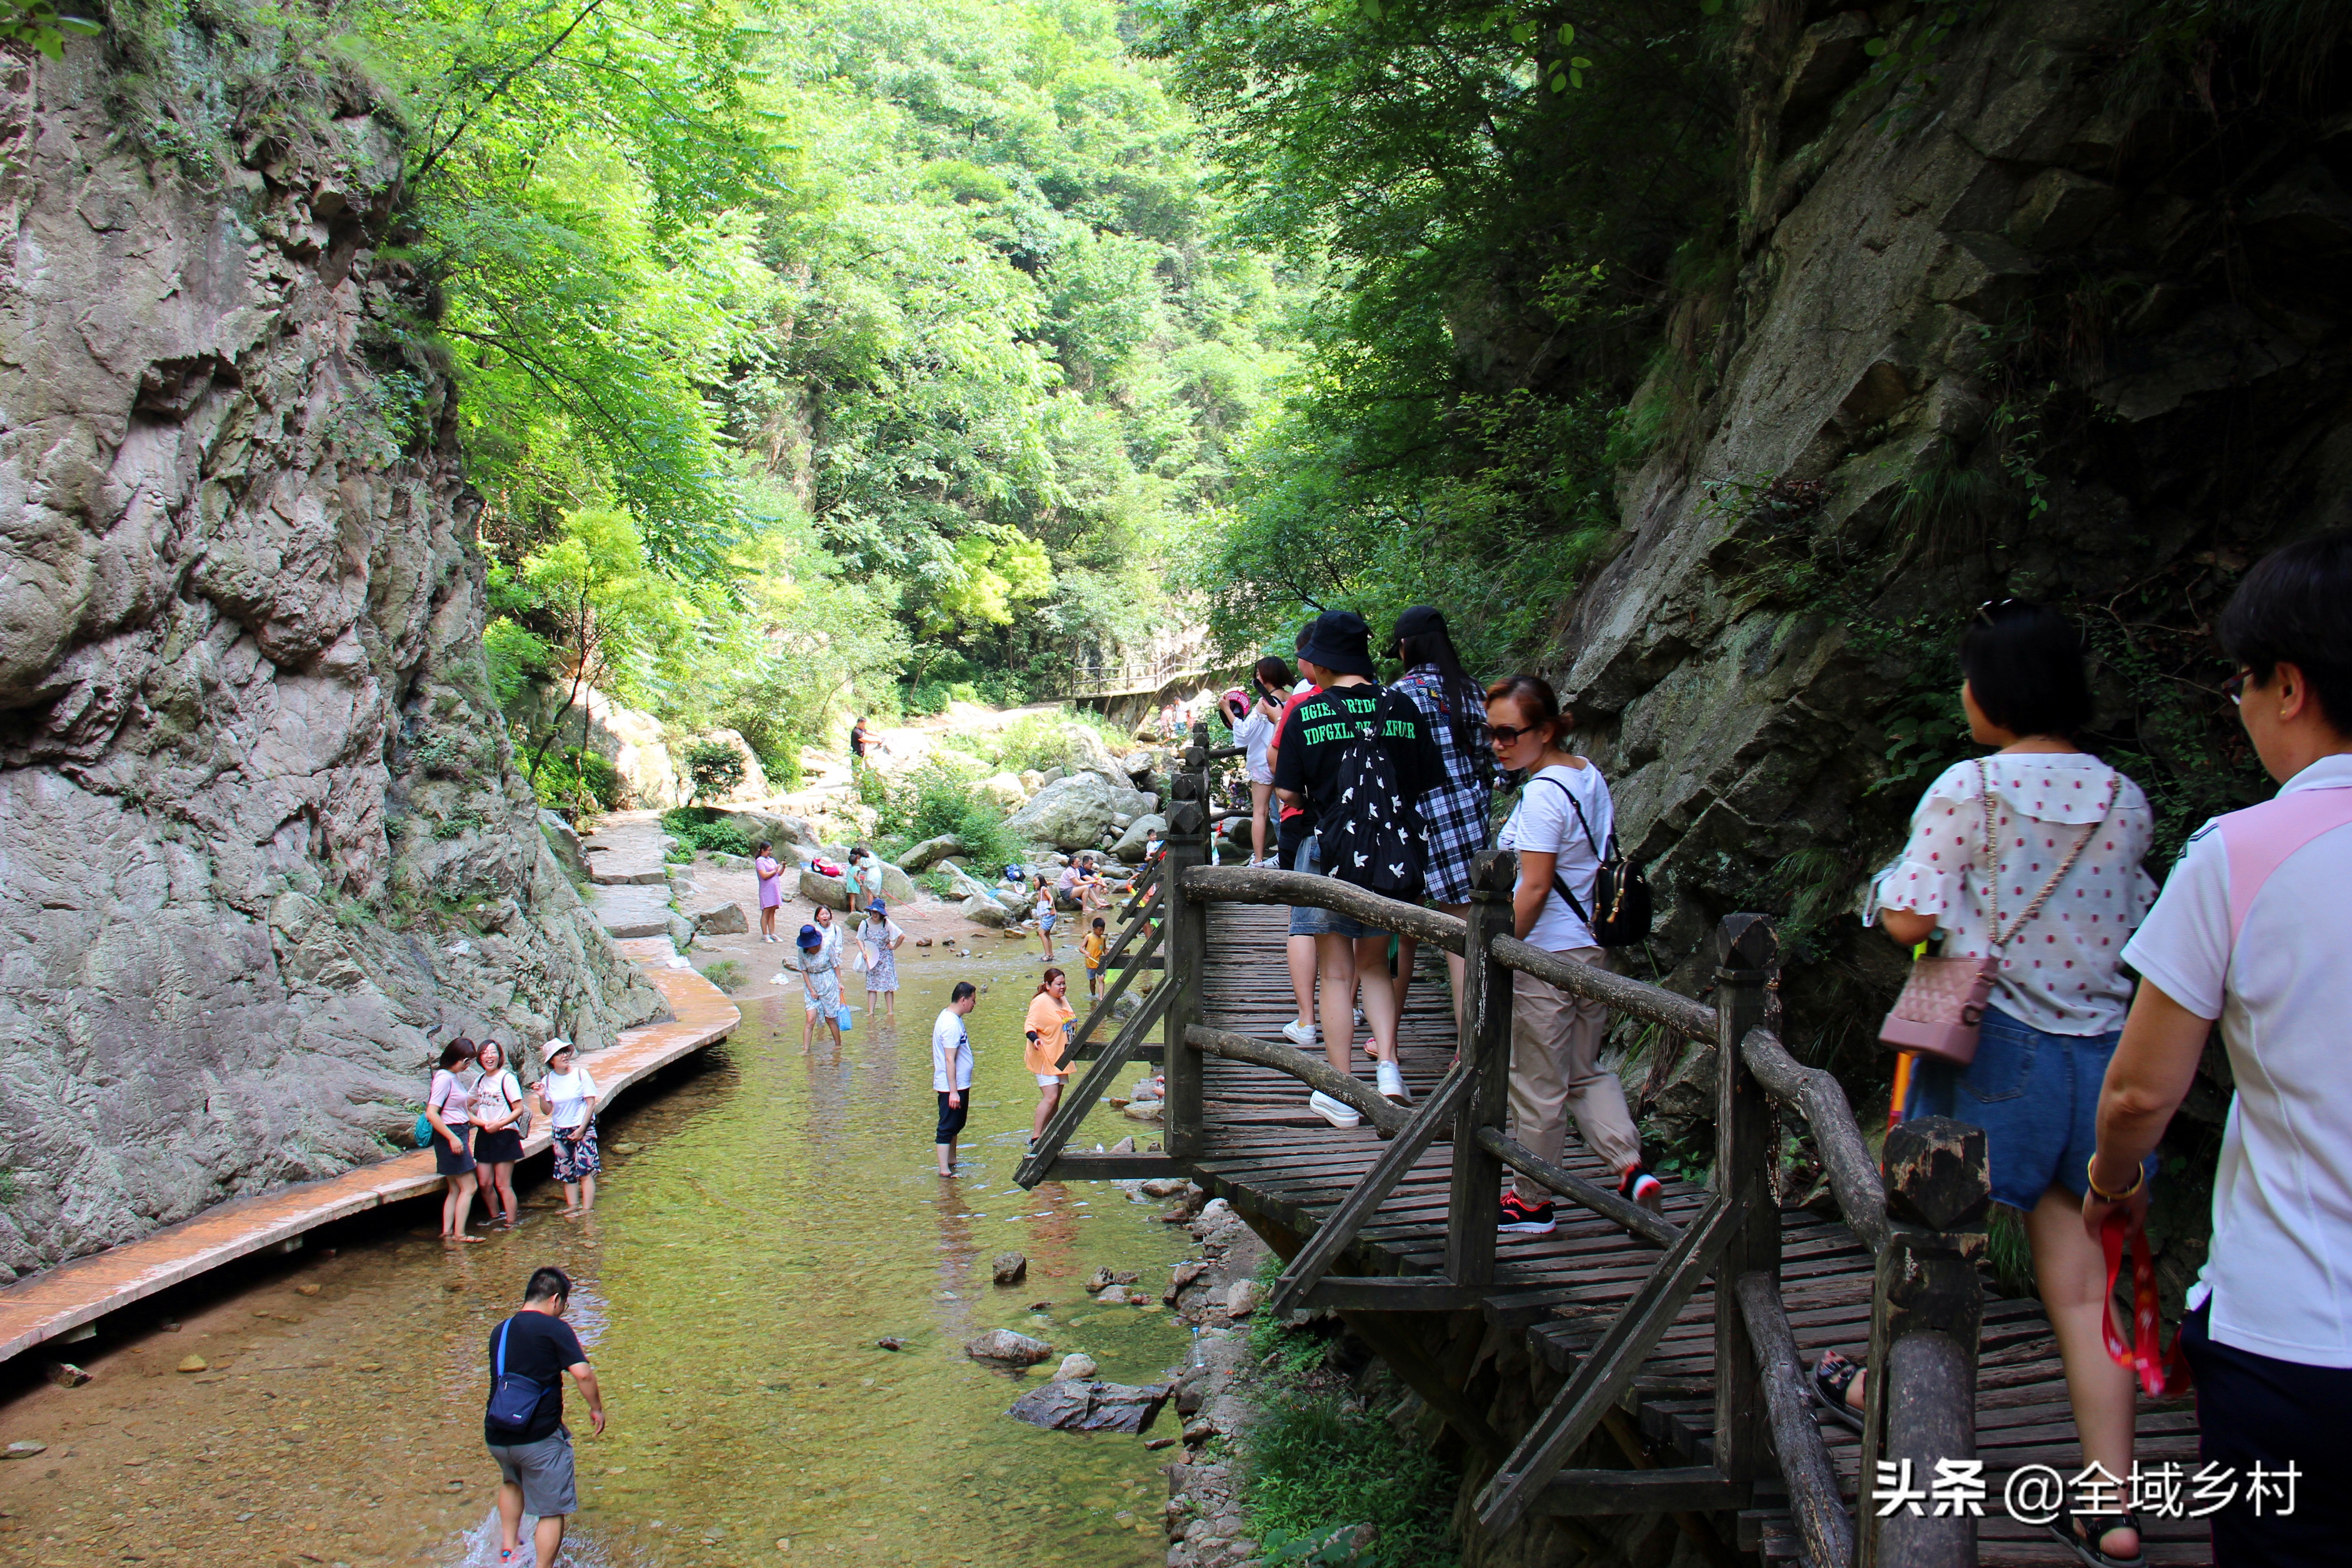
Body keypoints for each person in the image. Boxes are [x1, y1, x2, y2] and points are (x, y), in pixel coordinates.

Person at [1812, 602, 2156, 1568]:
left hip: (1995, 1045)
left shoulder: (1971, 786)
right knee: (2086, 1281)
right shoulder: (2124, 797)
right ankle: (2113, 1502)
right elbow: (2139, 919)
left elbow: (1913, 917)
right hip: (2103, 1053)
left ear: (1996, 691)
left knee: (1933, 1242)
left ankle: (1890, 1399)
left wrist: (1883, 893)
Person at [2085, 532, 2352, 1568]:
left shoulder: (2237, 854)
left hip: (2293, 1336)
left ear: (2286, 686)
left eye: (2240, 684)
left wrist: (2114, 1181)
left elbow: (2140, 1092)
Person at [1485, 675, 1666, 1232]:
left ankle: (1532, 1200)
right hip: (1589, 951)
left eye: (1509, 734)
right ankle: (1632, 1168)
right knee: (1584, 1072)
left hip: (1546, 957)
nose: (1498, 744)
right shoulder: (1585, 773)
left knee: (1537, 1084)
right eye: (1489, 733)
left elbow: (1535, 887)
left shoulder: (1542, 795)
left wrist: (1501, 951)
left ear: (1544, 730)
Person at [1271, 609, 1444, 1126]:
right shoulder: (1403, 706)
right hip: (1392, 855)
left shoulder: (1308, 713)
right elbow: (1421, 781)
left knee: (1338, 974)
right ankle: (1389, 1068)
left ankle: (1341, 1091)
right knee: (1376, 966)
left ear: (1322, 662)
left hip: (1331, 852)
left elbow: (1288, 792)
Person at [1388, 608, 1491, 1028]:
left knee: (1398, 932)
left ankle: (1386, 1038)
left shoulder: (1396, 698)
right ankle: (1468, 1050)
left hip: (1408, 827)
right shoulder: (1473, 692)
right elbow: (1500, 768)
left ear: (1407, 647)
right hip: (1464, 825)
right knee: (1463, 943)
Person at [484, 1267, 606, 1568]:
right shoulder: (555, 1329)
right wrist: (597, 1408)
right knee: (551, 1511)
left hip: (499, 1434)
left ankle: (508, 1549)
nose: (564, 1312)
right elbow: (583, 1374)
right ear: (555, 1300)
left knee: (512, 1482)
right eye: (564, 1305)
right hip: (537, 1437)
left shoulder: (502, 1329)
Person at [1267, 623, 1326, 1050]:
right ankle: (1352, 1005)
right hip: (1362, 828)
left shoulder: (1301, 704)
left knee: (1303, 920)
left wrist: (1301, 792)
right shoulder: (1382, 701)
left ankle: (1307, 1019)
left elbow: (1278, 764)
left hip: (1302, 820)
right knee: (1355, 919)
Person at [1235, 657, 1291, 867]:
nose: (1257, 677)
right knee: (1286, 809)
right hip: (1286, 760)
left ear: (1268, 675)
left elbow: (1244, 735)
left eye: (1259, 673)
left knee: (1261, 811)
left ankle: (1258, 859)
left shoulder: (1264, 701)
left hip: (1263, 761)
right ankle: (1289, 855)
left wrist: (1229, 711)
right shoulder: (1293, 697)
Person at [427, 1039, 484, 1243]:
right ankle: (460, 1234)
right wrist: (452, 1138)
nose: (468, 1066)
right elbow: (432, 1113)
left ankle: (448, 1231)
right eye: (466, 1061)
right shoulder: (444, 1078)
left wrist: (484, 1124)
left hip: (457, 1132)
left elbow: (463, 1112)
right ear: (456, 1058)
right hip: (451, 1135)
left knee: (455, 1189)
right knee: (470, 1187)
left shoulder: (453, 1077)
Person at [535, 1039, 600, 1215]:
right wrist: (542, 1097)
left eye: (565, 1052)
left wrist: (581, 1130)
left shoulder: (581, 1074)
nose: (564, 1056)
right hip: (560, 1129)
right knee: (567, 1171)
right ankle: (572, 1206)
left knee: (585, 1170)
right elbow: (547, 1110)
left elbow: (591, 1103)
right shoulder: (547, 1080)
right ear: (551, 1061)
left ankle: (587, 1210)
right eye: (559, 1053)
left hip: (582, 1127)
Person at [469, 1040, 527, 1230]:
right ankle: (496, 1216)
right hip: (485, 1134)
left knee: (503, 1184)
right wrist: (481, 1123)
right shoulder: (479, 1080)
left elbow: (519, 1109)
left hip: (505, 1134)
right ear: (480, 1058)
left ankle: (511, 1222)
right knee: (485, 1183)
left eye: (493, 1052)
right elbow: (464, 1105)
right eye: (485, 1053)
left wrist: (499, 1124)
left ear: (499, 1056)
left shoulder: (507, 1078)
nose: (489, 1056)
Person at [1024, 967, 1076, 1150]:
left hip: (1061, 1056)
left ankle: (1049, 1133)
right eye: (1058, 984)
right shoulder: (1041, 1001)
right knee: (1051, 1096)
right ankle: (1036, 1137)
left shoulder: (1062, 1000)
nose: (1062, 987)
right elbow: (1029, 1025)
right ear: (1047, 985)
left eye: (1064, 984)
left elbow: (1070, 1021)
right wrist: (1035, 1039)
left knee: (1057, 1097)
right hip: (1044, 1055)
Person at [933, 981, 979, 1175]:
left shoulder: (953, 1018)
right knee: (947, 1126)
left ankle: (952, 1160)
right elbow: (949, 1060)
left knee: (956, 1124)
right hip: (952, 1086)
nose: (974, 1004)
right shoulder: (950, 1024)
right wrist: (953, 1092)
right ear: (963, 1000)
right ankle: (944, 1170)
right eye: (973, 1000)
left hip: (959, 1084)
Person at [794, 916, 845, 1054]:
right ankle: (806, 1050)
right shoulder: (801, 952)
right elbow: (803, 969)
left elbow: (836, 965)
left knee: (830, 1018)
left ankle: (838, 1045)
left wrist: (840, 983)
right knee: (810, 1020)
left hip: (828, 983)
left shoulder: (827, 946)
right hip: (812, 984)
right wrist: (811, 989)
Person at [857, 898, 905, 1022]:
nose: (874, 914)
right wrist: (863, 951)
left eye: (877, 912)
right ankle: (871, 1012)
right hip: (871, 957)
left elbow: (902, 936)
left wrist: (894, 947)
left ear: (882, 913)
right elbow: (859, 939)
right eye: (873, 911)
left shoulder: (887, 923)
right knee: (872, 986)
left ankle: (890, 1012)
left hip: (886, 957)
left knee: (888, 986)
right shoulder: (865, 924)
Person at [753, 840, 785, 942]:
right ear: (763, 850)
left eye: (771, 850)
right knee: (766, 911)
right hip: (766, 890)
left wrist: (783, 867)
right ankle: (765, 934)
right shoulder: (760, 861)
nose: (770, 852)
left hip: (775, 889)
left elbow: (778, 874)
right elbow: (764, 875)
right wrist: (775, 871)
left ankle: (772, 933)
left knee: (773, 911)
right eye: (768, 850)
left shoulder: (771, 860)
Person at [1081, 916, 1108, 1000]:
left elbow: (1104, 949)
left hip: (1100, 963)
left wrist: (1108, 957)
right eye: (1100, 930)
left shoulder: (1103, 938)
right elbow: (1081, 948)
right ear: (1094, 929)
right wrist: (1086, 953)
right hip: (1090, 963)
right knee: (1093, 982)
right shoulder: (1089, 937)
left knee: (1101, 979)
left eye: (1103, 930)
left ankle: (1101, 998)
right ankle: (1093, 995)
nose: (1102, 932)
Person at [1032, 876, 1058, 962]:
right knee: (1046, 935)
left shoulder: (1043, 889)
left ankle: (1047, 955)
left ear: (1041, 881)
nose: (1034, 883)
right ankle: (1051, 954)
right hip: (1048, 916)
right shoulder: (1041, 891)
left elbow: (1051, 898)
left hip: (1049, 915)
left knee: (1041, 934)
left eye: (1036, 881)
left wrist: (1050, 906)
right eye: (1033, 881)